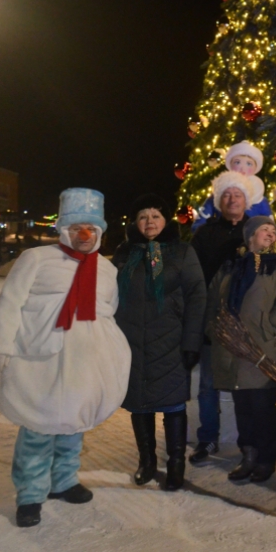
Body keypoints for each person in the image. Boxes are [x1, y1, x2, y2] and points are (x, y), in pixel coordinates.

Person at [0, 188, 131, 527]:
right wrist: (1, 346)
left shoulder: (106, 270)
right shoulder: (36, 259)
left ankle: (64, 480)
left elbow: (108, 311)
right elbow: (10, 303)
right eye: (78, 227)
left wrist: (111, 352)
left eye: (92, 229)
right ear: (64, 229)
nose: (85, 234)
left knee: (72, 424)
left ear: (100, 232)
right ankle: (31, 495)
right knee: (38, 426)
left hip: (85, 360)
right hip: (40, 358)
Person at [113, 194, 207, 490]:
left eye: (155, 215)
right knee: (139, 403)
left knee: (172, 404)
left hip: (171, 340)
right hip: (132, 341)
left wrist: (192, 341)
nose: (149, 222)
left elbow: (197, 297)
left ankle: (176, 464)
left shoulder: (181, 252)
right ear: (135, 223)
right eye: (143, 216)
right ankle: (147, 462)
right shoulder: (124, 253)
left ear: (165, 221)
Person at [207, 216, 276, 483]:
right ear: (250, 238)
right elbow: (213, 301)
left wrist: (268, 328)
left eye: (273, 231)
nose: (271, 234)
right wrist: (216, 331)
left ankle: (265, 459)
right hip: (233, 351)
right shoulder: (229, 268)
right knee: (243, 407)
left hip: (263, 351)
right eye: (264, 231)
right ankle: (248, 455)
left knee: (263, 408)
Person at [188, 171, 254, 464]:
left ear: (245, 200)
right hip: (212, 320)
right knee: (208, 385)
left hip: (247, 323)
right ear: (219, 200)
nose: (232, 199)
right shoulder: (204, 235)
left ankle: (249, 441)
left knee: (246, 383)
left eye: (237, 194)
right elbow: (193, 277)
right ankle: (208, 438)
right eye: (226, 194)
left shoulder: (257, 230)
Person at [192, 141, 272, 231]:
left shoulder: (260, 199)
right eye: (237, 162)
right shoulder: (218, 194)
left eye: (249, 164)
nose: (242, 168)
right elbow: (198, 225)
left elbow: (271, 229)